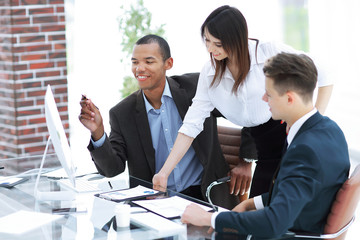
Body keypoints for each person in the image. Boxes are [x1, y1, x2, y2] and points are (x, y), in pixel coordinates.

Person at [153, 5, 334, 198]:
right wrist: (164, 172)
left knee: (286, 209)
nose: (210, 48)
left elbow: (324, 74)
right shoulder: (211, 72)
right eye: (207, 40)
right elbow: (190, 126)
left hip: (290, 134)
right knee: (260, 211)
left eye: (218, 44)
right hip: (264, 146)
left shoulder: (268, 52)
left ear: (236, 39)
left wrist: (312, 124)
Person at [180, 52, 350, 238]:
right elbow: (302, 192)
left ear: (290, 99)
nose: (263, 99)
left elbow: (273, 223)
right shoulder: (330, 129)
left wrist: (209, 219)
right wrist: (252, 203)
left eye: (268, 94)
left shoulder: (305, 150)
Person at [78, 34, 239, 208]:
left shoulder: (196, 88)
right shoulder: (122, 113)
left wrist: (246, 160)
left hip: (206, 195)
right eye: (135, 62)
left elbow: (244, 109)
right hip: (156, 203)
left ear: (168, 63)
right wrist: (98, 131)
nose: (140, 68)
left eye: (149, 61)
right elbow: (111, 169)